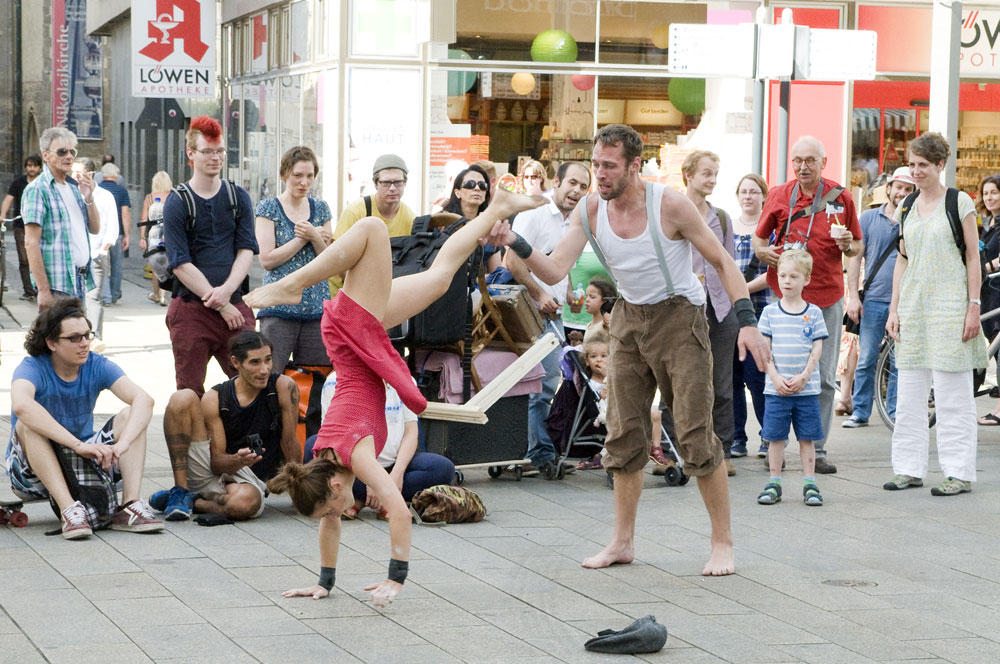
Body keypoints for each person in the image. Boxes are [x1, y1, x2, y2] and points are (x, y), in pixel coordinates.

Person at [487, 124, 771, 576]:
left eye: (609, 166)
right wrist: (514, 243)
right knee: (622, 432)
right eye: (596, 164)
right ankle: (622, 542)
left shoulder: (669, 204)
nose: (599, 174)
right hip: (628, 318)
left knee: (695, 433)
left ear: (635, 165)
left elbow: (721, 261)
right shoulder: (591, 209)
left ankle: (722, 542)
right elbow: (555, 268)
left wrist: (748, 324)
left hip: (679, 318)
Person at [251, 185, 546, 607]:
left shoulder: (354, 457)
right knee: (440, 277)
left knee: (373, 227)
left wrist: (396, 577)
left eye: (330, 509)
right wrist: (325, 582)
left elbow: (400, 513)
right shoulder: (325, 462)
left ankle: (293, 284)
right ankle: (494, 210)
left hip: (352, 335)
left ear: (333, 487)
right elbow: (330, 522)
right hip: (356, 339)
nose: (332, 517)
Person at [6, 298, 163, 538]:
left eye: (87, 335)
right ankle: (69, 510)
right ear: (51, 343)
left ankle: (129, 505)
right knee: (27, 423)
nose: (84, 344)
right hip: (33, 474)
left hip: (84, 464)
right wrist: (78, 445)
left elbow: (144, 400)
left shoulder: (96, 364)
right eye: (74, 338)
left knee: (132, 414)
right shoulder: (32, 367)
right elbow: (21, 405)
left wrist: (122, 445)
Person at [884, 132, 986, 497]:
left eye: (923, 165)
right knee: (909, 395)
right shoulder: (907, 205)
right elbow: (902, 259)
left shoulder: (959, 203)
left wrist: (973, 306)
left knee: (952, 396)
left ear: (940, 165)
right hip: (914, 308)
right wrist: (894, 308)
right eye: (912, 164)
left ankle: (958, 472)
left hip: (950, 307)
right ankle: (908, 469)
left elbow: (973, 257)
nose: (915, 171)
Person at [753, 136, 862, 475]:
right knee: (779, 372)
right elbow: (759, 239)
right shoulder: (778, 195)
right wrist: (763, 253)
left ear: (823, 163)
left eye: (810, 160)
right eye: (797, 160)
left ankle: (818, 449)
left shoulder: (841, 197)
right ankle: (774, 446)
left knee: (824, 377)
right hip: (784, 298)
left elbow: (857, 247)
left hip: (827, 297)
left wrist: (848, 244)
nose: (803, 167)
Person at [151, 331, 301, 521]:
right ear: (236, 362)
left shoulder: (283, 387)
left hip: (248, 482)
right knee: (182, 397)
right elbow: (216, 464)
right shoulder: (216, 397)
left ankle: (194, 502)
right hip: (214, 468)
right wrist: (237, 460)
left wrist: (299, 493)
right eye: (255, 362)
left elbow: (290, 442)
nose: (264, 370)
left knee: (243, 504)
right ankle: (180, 490)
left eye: (268, 360)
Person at [504, 161, 591, 475]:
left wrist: (567, 293)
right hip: (526, 312)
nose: (576, 191)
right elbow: (512, 260)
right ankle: (536, 454)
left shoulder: (575, 223)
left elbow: (559, 266)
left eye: (583, 187)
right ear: (556, 181)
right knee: (538, 384)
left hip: (554, 313)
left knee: (547, 383)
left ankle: (537, 452)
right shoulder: (534, 214)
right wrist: (539, 294)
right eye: (572, 183)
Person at [163, 115, 257, 396]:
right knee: (189, 392)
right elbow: (179, 263)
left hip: (235, 303)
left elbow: (246, 249)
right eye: (207, 152)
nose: (215, 158)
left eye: (220, 151)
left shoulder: (238, 197)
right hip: (191, 308)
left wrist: (227, 294)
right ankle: (197, 429)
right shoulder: (178, 201)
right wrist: (220, 304)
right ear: (191, 153)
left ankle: (241, 427)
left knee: (253, 381)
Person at [303, 375, 455, 519]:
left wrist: (396, 474)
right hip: (354, 467)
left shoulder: (403, 378)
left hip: (394, 463)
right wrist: (369, 478)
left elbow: (411, 433)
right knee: (313, 447)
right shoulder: (335, 380)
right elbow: (332, 438)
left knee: (443, 469)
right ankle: (386, 498)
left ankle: (360, 498)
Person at [842, 166, 915, 428]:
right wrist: (853, 296)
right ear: (889, 188)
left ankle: (892, 412)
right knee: (867, 359)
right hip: (873, 299)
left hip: (906, 302)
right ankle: (860, 411)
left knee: (898, 361)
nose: (902, 193)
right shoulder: (869, 218)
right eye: (899, 187)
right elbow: (854, 257)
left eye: (908, 189)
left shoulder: (916, 218)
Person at [755, 250, 828, 507]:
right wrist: (775, 378)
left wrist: (805, 376)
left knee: (807, 437)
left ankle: (810, 483)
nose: (787, 281)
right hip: (777, 390)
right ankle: (774, 482)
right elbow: (765, 350)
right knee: (775, 437)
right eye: (783, 275)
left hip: (806, 390)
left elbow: (817, 349)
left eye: (793, 276)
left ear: (806, 279)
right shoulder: (769, 313)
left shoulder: (814, 313)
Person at [682, 150, 738, 476]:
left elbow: (728, 263)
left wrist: (737, 308)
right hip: (684, 310)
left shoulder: (722, 218)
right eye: (706, 173)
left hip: (719, 308)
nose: (712, 179)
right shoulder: (672, 211)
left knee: (721, 385)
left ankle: (723, 452)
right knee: (682, 383)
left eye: (715, 174)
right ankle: (678, 452)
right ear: (688, 174)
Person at [255, 146, 333, 374]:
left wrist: (314, 237)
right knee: (270, 375)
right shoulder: (268, 208)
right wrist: (302, 239)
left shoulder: (321, 208)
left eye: (310, 176)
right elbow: (267, 259)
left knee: (317, 378)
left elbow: (330, 261)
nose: (304, 182)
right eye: (297, 175)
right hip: (278, 307)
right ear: (285, 174)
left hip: (316, 309)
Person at [22, 127, 101, 308]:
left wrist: (89, 198)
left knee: (78, 327)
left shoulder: (73, 189)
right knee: (60, 328)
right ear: (46, 155)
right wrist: (43, 290)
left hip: (79, 280)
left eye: (72, 151)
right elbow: (31, 243)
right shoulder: (38, 189)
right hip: (57, 286)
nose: (69, 156)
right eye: (62, 151)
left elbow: (95, 228)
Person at [731, 174, 773, 458]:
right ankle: (736, 437)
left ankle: (768, 435)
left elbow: (774, 273)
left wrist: (739, 290)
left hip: (759, 311)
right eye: (744, 191)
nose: (748, 196)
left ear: (763, 196)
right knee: (731, 379)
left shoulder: (769, 231)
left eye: (754, 192)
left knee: (758, 377)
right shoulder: (727, 229)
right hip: (729, 314)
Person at [331, 154, 414, 296]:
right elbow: (338, 259)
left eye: (398, 182)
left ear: (405, 183)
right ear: (376, 184)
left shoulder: (409, 217)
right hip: (345, 293)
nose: (392, 188)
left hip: (382, 292)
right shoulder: (356, 211)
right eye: (386, 183)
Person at [72, 158, 118, 351]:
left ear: (90, 175)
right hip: (75, 256)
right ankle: (76, 337)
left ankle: (95, 337)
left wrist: (103, 250)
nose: (75, 177)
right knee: (75, 298)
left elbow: (112, 227)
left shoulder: (105, 196)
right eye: (73, 173)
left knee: (93, 297)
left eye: (79, 173)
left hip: (96, 254)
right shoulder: (70, 193)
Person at [0, 154, 43, 301]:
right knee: (24, 259)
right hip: (21, 225)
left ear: (39, 167)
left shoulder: (43, 183)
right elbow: (8, 199)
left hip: (39, 225)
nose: (32, 169)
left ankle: (41, 287)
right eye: (29, 166)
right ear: (26, 167)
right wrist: (2, 215)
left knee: (40, 257)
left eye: (35, 166)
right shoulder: (18, 183)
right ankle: (29, 291)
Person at [976, 175, 1000, 425]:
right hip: (988, 291)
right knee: (995, 347)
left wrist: (986, 267)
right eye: (986, 193)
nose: (989, 197)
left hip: (997, 290)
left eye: (994, 192)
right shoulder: (989, 222)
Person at [576, 331, 610, 470]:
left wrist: (607, 375)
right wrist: (600, 395)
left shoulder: (612, 378)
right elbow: (590, 405)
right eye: (593, 356)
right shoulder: (590, 383)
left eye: (603, 356)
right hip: (600, 416)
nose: (599, 360)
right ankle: (602, 455)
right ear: (587, 361)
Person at [97, 162, 131, 306]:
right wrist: (127, 235)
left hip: (100, 232)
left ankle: (105, 296)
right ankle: (115, 293)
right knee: (117, 264)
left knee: (102, 264)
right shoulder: (121, 191)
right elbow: (125, 214)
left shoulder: (98, 189)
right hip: (117, 233)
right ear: (116, 176)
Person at [139, 171, 174, 306]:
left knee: (156, 264)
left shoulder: (149, 198)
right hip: (170, 232)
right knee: (167, 263)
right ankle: (164, 296)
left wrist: (142, 237)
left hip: (154, 234)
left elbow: (144, 219)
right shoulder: (173, 196)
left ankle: (156, 294)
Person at [582, 277, 616, 342]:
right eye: (586, 296)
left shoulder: (605, 326)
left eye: (592, 297)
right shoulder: (589, 325)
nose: (587, 300)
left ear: (606, 300)